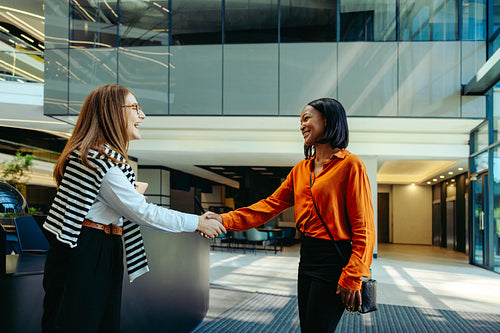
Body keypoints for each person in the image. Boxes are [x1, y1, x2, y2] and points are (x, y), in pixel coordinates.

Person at [41, 84, 225, 333]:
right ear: (112, 112)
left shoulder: (99, 157)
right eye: (135, 107)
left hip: (98, 246)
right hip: (89, 249)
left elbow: (106, 202)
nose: (142, 115)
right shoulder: (98, 161)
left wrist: (129, 192)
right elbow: (143, 212)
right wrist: (198, 222)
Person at [220, 98, 375, 333]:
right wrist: (224, 220)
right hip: (308, 257)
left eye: (306, 118)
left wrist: (353, 274)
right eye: (300, 121)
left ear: (327, 119)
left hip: (335, 260)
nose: (301, 125)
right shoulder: (301, 170)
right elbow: (270, 205)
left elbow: (364, 227)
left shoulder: (351, 165)